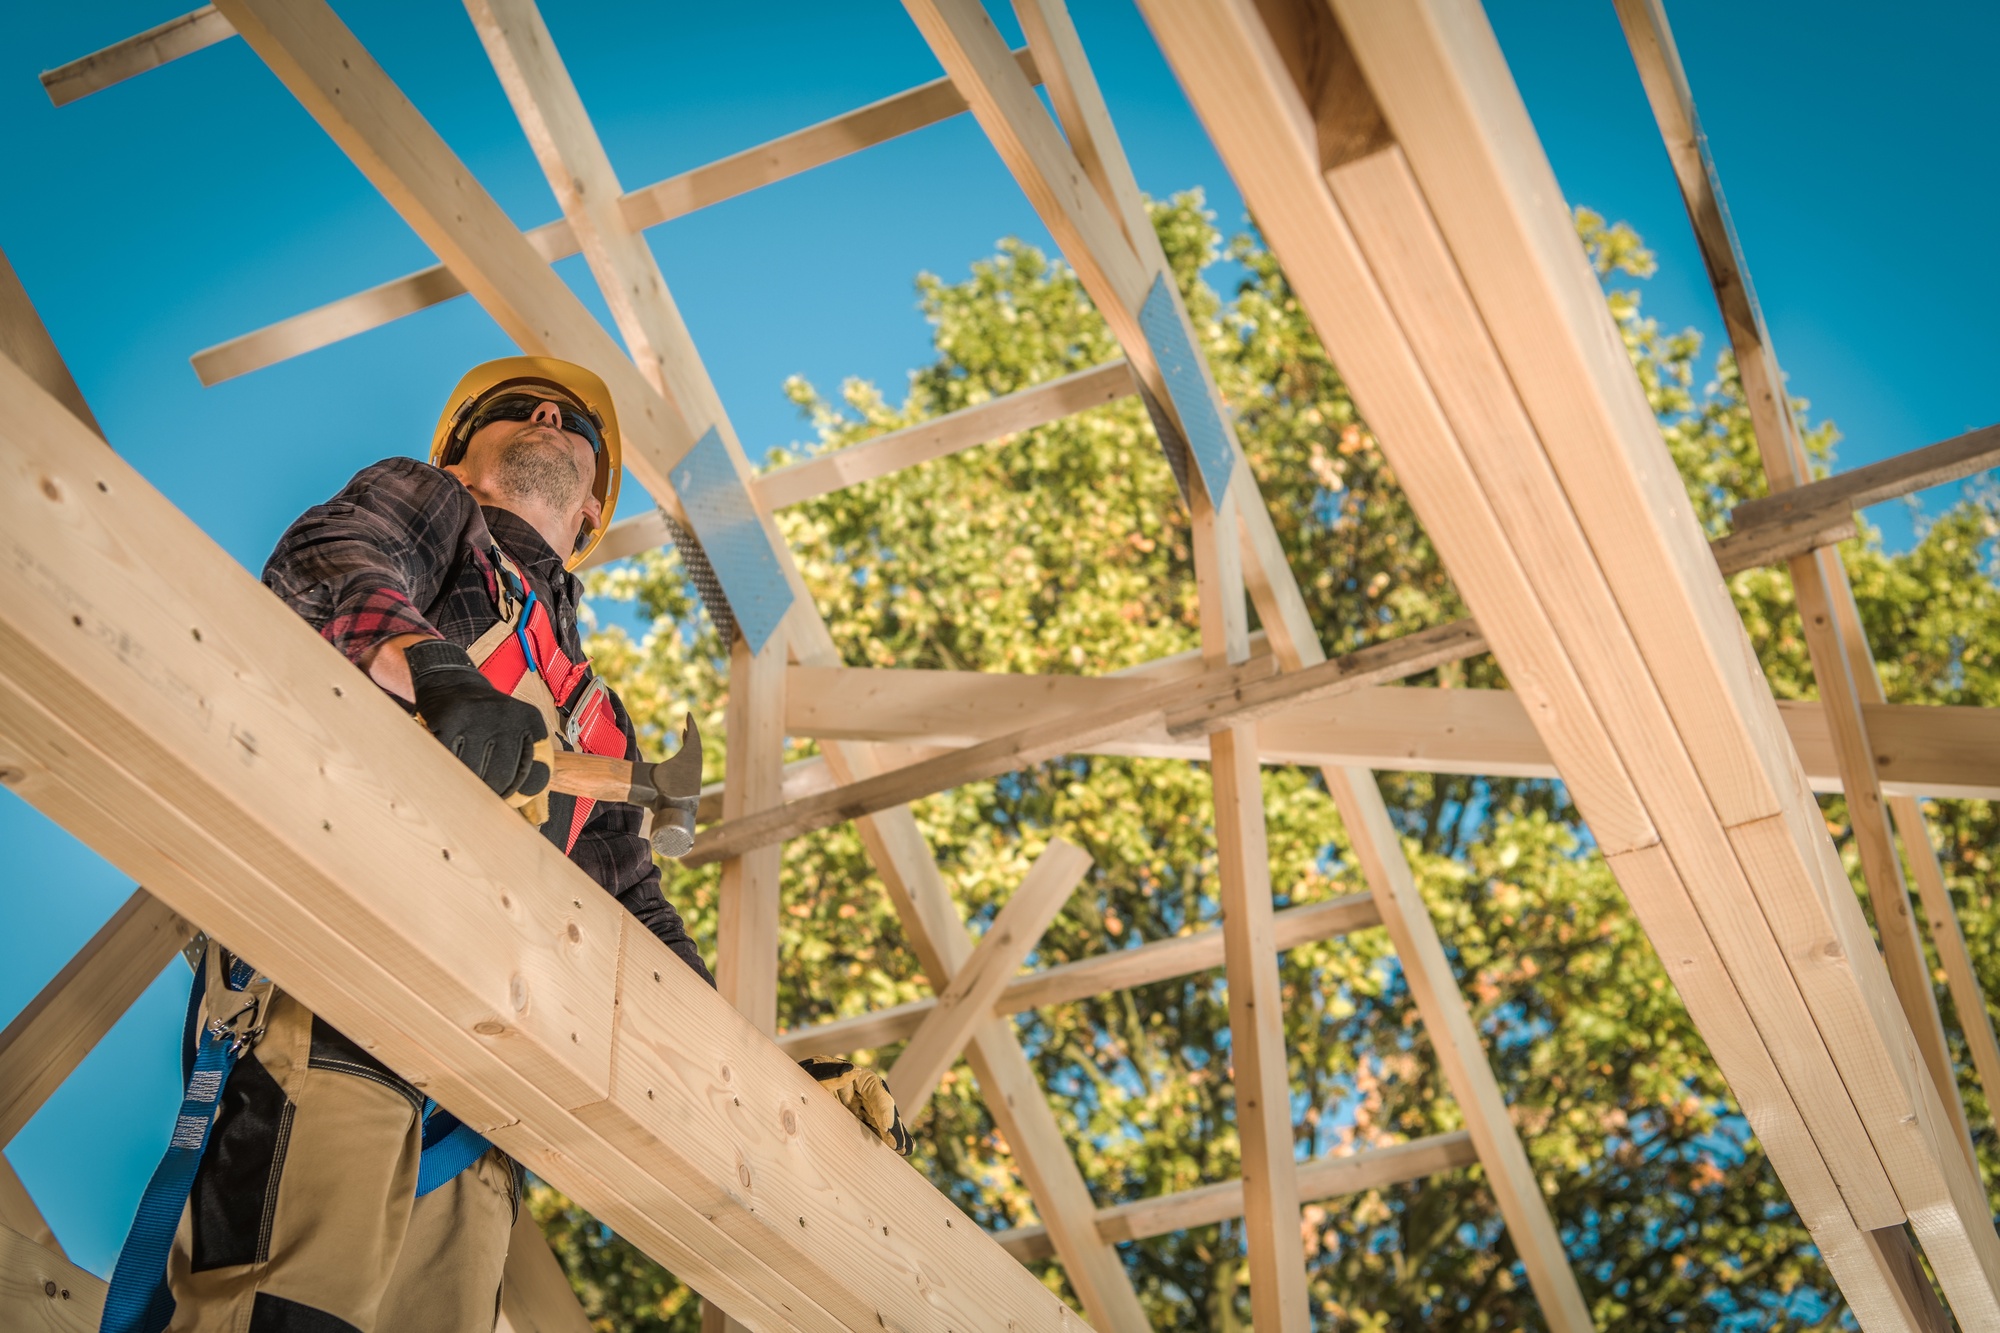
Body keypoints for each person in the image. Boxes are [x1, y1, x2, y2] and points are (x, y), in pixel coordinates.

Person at [132, 357, 710, 1333]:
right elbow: (329, 557)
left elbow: (637, 921)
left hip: (474, 1104)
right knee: (289, 1314)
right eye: (511, 409)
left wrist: (752, 1075)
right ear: (459, 453)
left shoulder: (595, 719)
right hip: (347, 973)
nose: (544, 413)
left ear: (593, 509)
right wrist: (434, 667)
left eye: (573, 420)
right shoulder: (434, 507)